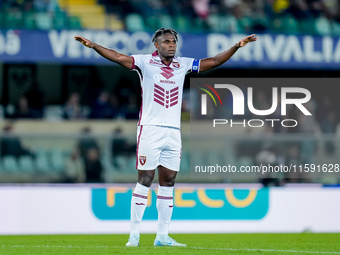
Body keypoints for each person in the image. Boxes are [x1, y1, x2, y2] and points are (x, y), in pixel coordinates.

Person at [75, 28, 256, 247]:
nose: (172, 45)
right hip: (150, 129)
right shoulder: (143, 62)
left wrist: (236, 46)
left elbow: (214, 61)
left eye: (174, 42)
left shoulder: (183, 64)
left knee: (168, 182)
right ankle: (134, 235)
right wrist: (94, 46)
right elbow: (118, 56)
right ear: (157, 45)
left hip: (173, 131)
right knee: (145, 180)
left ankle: (162, 236)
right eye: (167, 42)